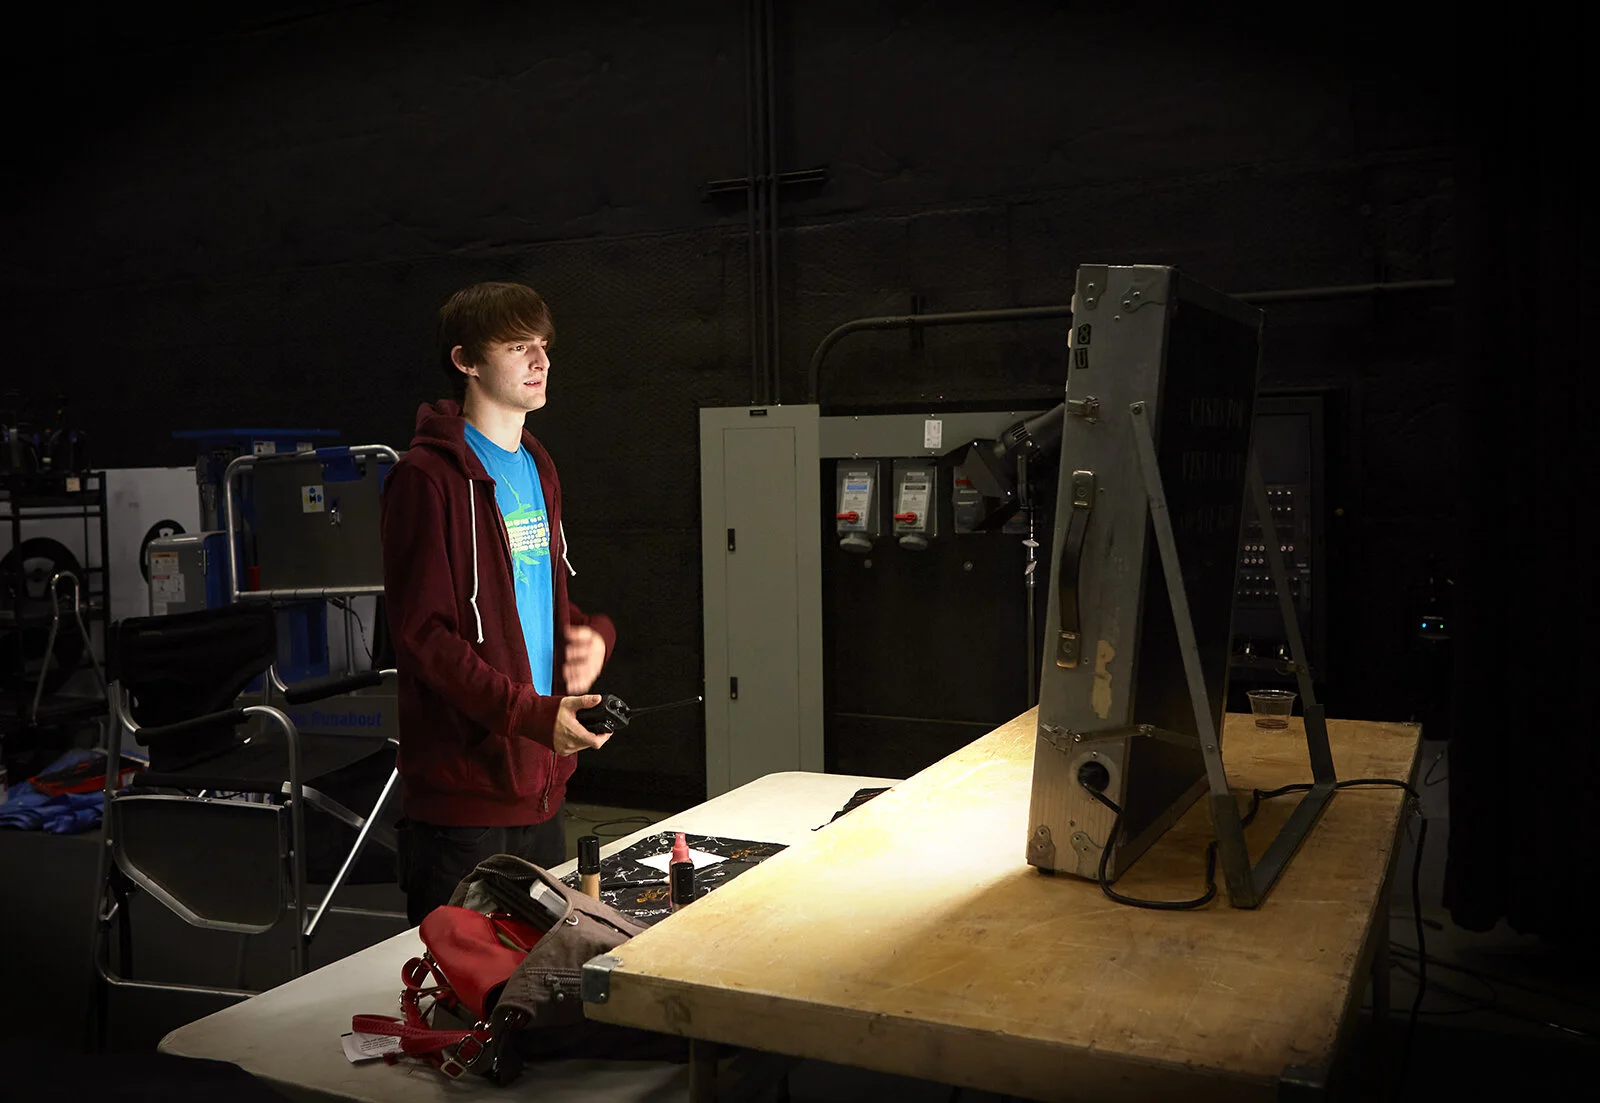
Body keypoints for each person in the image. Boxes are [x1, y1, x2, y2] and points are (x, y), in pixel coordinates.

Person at [380, 281, 616, 925]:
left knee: (539, 982)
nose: (541, 362)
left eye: (543, 346)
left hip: (540, 779)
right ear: (467, 362)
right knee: (454, 997)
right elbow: (424, 637)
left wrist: (586, 639)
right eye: (518, 347)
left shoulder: (538, 467)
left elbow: (539, 600)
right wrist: (531, 715)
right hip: (464, 799)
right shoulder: (425, 479)